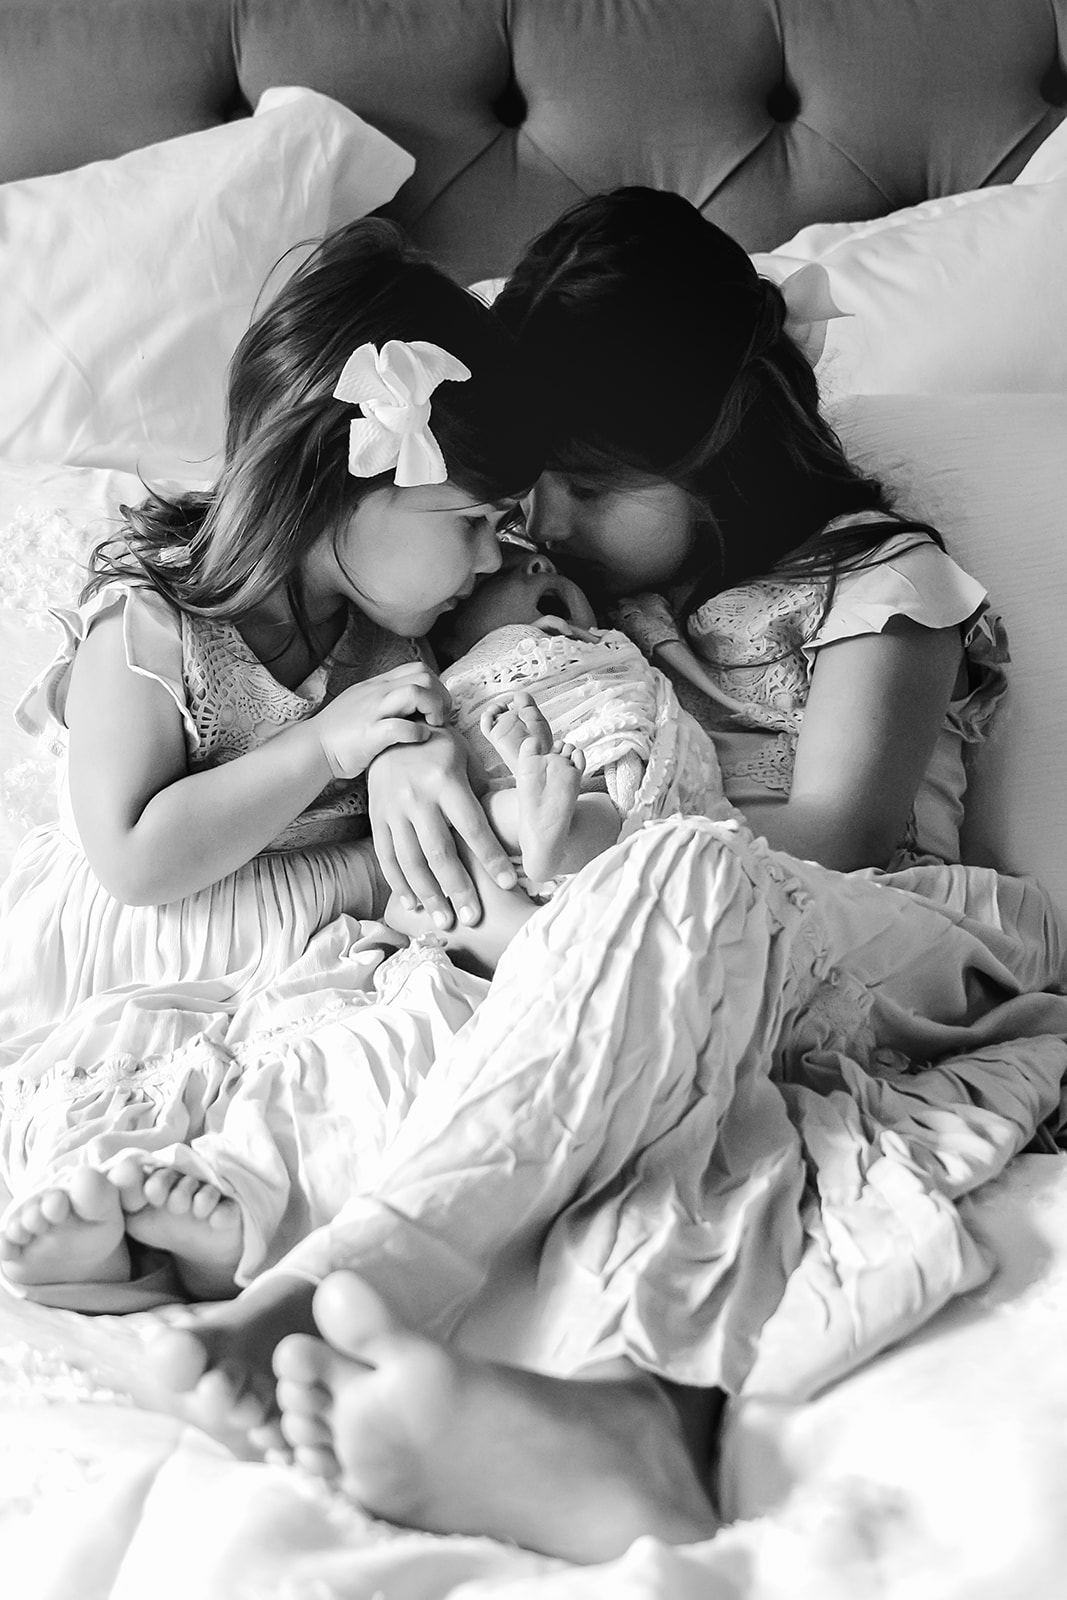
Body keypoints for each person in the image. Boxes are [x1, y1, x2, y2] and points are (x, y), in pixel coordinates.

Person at [0, 216, 545, 1308]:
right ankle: (100, 1216)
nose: (492, 553)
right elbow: (137, 862)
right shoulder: (151, 629)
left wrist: (517, 616)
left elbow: (471, 646)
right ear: (343, 490)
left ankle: (190, 1227)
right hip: (149, 934)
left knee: (340, 1056)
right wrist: (323, 747)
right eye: (476, 521)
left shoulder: (386, 619)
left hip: (301, 943)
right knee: (123, 1064)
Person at [485, 185, 1008, 876]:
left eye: (588, 488)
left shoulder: (878, 592)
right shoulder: (550, 585)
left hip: (836, 926)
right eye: (530, 481)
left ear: (722, 454)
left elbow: (836, 840)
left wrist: (594, 832)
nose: (544, 523)